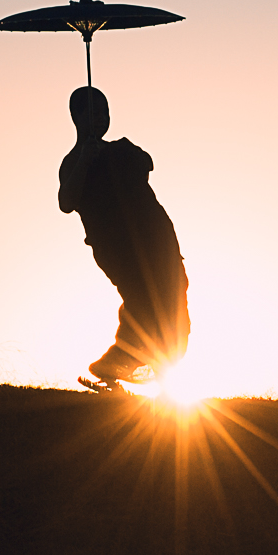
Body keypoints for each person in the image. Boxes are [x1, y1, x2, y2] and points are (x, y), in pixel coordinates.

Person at [56, 86, 189, 390]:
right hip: (120, 249)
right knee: (144, 302)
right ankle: (116, 363)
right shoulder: (73, 162)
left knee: (175, 302)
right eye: (94, 113)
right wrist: (86, 161)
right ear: (77, 118)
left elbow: (147, 163)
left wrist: (109, 153)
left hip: (157, 241)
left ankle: (152, 367)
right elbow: (66, 201)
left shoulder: (120, 149)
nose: (101, 119)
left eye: (105, 112)